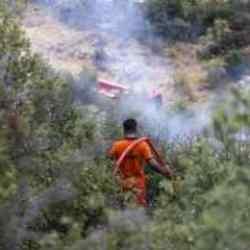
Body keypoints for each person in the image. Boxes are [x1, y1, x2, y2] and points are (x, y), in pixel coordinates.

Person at [108, 118, 173, 207]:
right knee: (139, 210)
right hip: (139, 184)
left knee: (125, 208)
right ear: (136, 129)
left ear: (124, 129)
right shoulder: (142, 145)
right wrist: (164, 171)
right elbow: (152, 164)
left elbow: (109, 161)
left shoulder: (117, 145)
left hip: (123, 183)